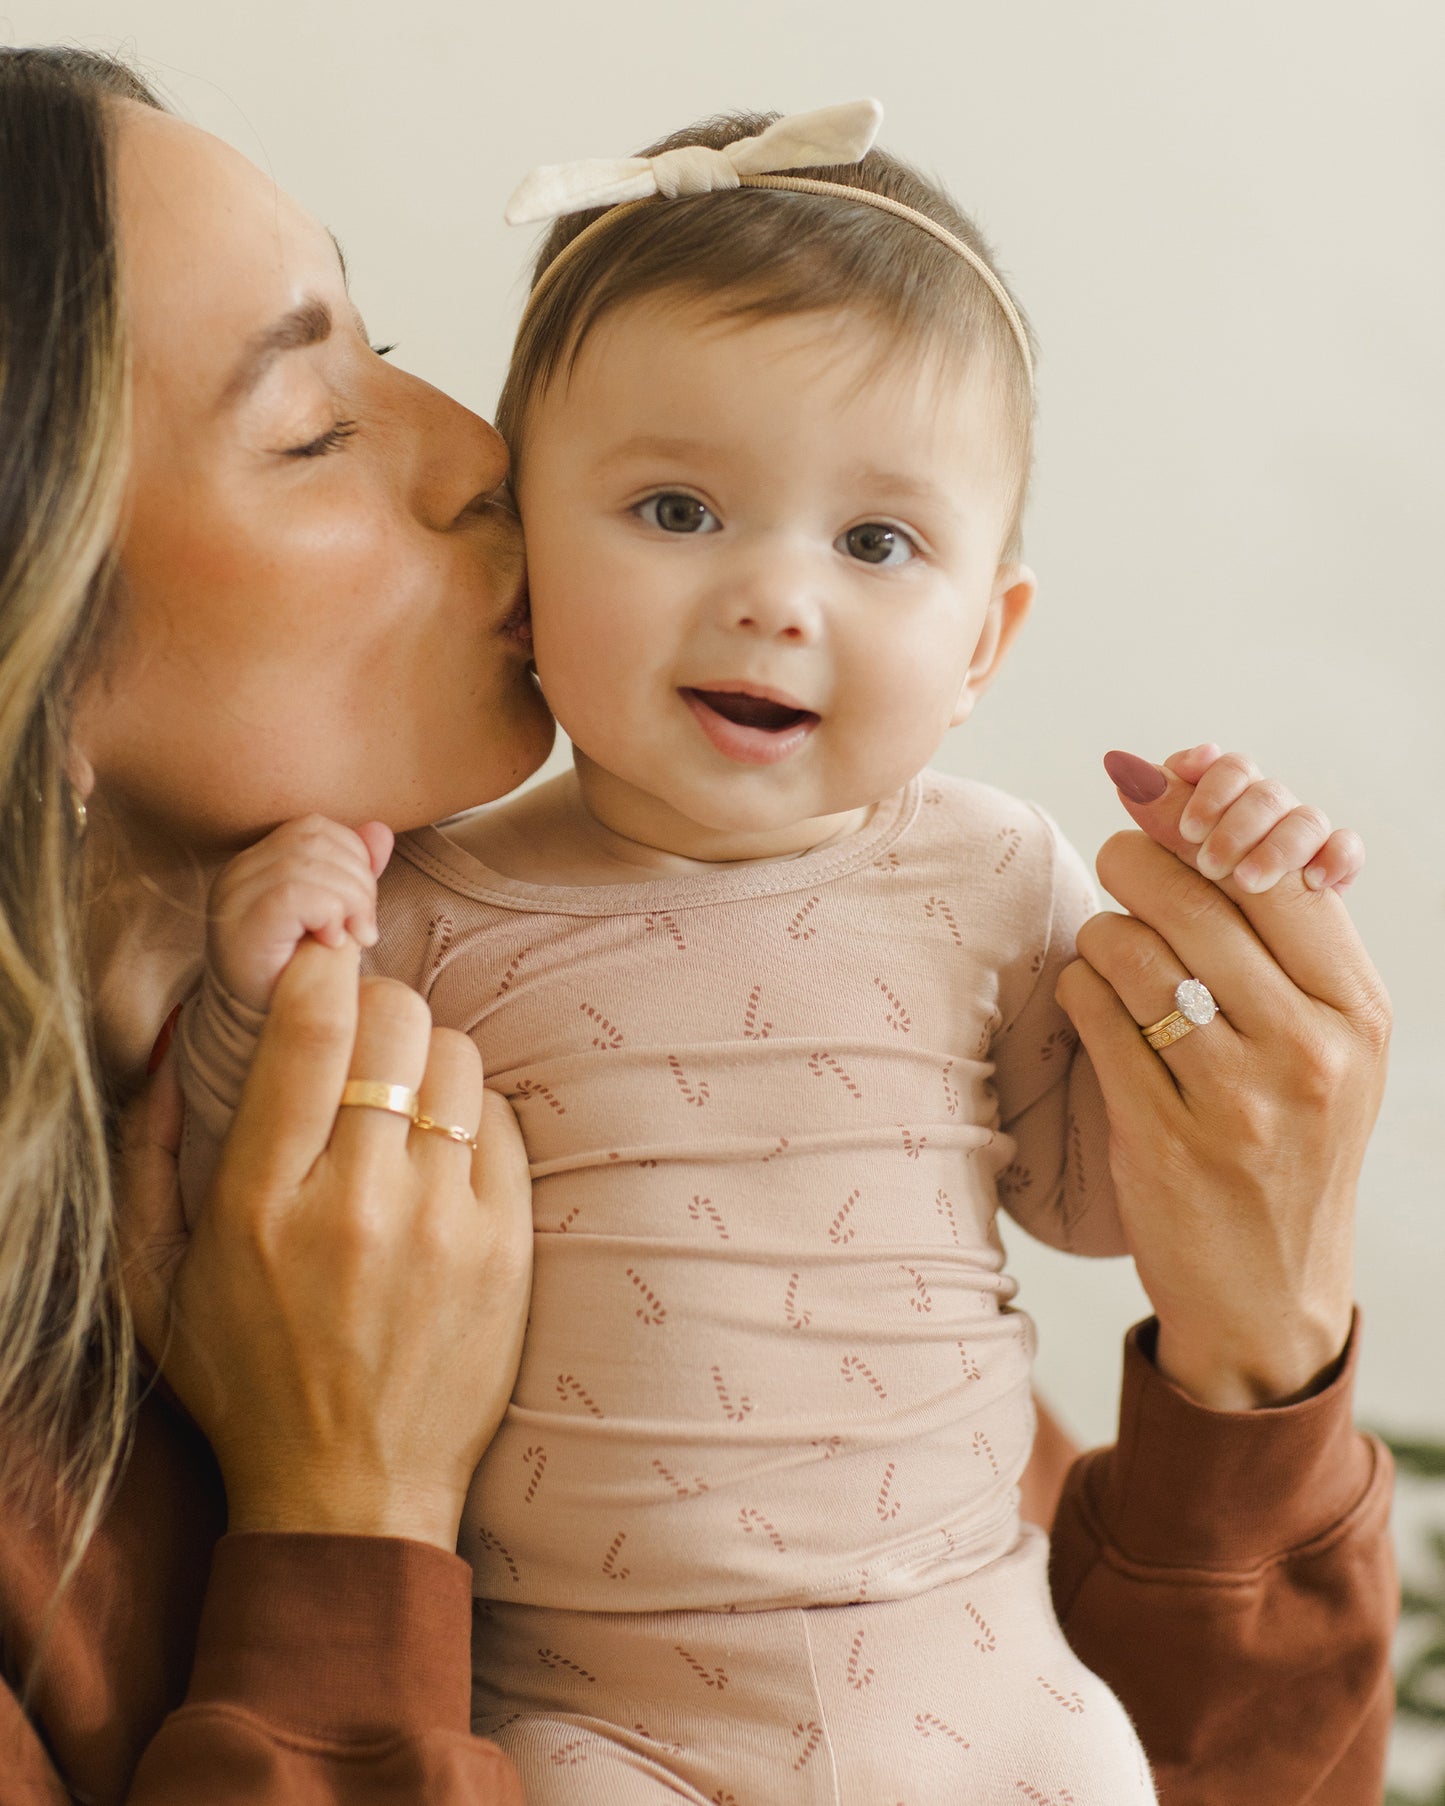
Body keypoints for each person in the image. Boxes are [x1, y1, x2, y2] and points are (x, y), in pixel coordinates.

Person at [0, 47, 1394, 1806]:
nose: (478, 455)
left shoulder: (873, 947)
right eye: (313, 425)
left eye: (393, 346)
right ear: (33, 664)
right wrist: (341, 1514)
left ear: (988, 632)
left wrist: (1253, 1344)